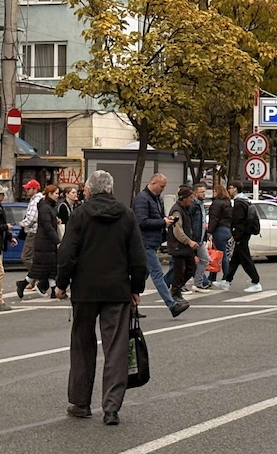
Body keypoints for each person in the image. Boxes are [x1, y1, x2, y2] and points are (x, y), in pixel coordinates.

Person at [55, 170, 147, 426]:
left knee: (82, 346)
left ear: (88, 190)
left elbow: (68, 253)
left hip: (84, 291)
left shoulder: (80, 215)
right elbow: (137, 258)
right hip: (117, 290)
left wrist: (61, 284)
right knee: (116, 348)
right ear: (110, 189)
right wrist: (136, 288)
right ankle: (111, 408)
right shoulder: (126, 215)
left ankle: (81, 404)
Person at [134, 173, 188, 316]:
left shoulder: (155, 198)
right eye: (162, 186)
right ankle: (172, 306)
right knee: (157, 274)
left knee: (141, 277)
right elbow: (141, 222)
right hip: (145, 243)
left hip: (151, 242)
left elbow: (153, 218)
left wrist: (165, 220)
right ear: (153, 183)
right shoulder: (142, 199)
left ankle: (130, 307)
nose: (163, 189)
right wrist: (163, 222)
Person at [20, 184, 62, 299]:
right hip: (44, 242)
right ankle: (23, 284)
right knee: (41, 268)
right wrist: (57, 241)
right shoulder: (44, 207)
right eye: (56, 193)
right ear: (50, 194)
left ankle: (53, 290)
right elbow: (47, 225)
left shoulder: (50, 206)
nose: (58, 196)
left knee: (51, 267)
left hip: (47, 241)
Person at [224, 182, 263, 293]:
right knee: (235, 259)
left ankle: (256, 282)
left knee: (246, 259)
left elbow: (239, 221)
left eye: (230, 188)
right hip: (244, 234)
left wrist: (237, 235)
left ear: (235, 189)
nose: (229, 190)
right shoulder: (245, 201)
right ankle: (227, 280)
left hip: (241, 235)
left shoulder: (239, 203)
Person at [166, 186, 199, 299]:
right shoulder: (177, 211)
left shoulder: (184, 209)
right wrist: (189, 242)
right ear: (183, 198)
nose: (192, 200)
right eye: (190, 197)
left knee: (191, 268)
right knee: (179, 271)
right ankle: (175, 291)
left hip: (184, 247)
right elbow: (177, 230)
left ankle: (177, 288)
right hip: (178, 246)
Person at [207, 184, 234, 288]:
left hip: (219, 230)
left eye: (214, 191)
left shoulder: (216, 203)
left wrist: (209, 231)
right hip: (227, 230)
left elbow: (214, 218)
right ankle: (212, 277)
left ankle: (226, 278)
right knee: (221, 254)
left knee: (220, 255)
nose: (213, 192)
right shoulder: (227, 203)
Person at [18, 179, 43, 283]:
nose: (26, 191)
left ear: (35, 189)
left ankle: (38, 277)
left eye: (28, 189)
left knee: (26, 257)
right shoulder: (40, 199)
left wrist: (23, 223)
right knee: (35, 257)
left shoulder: (35, 201)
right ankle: (33, 280)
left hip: (33, 232)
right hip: (39, 232)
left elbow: (32, 218)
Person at [189, 184, 211, 291]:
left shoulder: (201, 205)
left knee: (205, 260)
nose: (204, 194)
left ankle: (198, 283)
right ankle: (180, 285)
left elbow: (202, 222)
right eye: (201, 192)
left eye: (204, 192)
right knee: (187, 263)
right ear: (195, 193)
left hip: (200, 239)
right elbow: (190, 223)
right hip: (193, 239)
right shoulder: (193, 205)